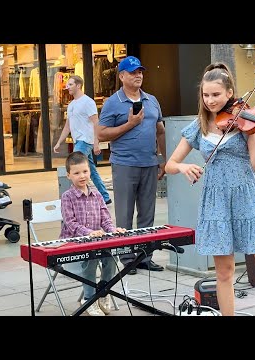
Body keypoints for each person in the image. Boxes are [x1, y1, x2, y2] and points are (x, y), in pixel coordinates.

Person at [164, 62, 255, 316]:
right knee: (224, 274)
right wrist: (183, 167)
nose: (210, 100)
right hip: (216, 201)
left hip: (249, 197)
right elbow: (169, 164)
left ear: (229, 93)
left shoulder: (246, 121)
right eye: (206, 94)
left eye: (216, 94)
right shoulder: (198, 126)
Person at [97, 55, 166, 275]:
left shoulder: (152, 100)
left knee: (147, 213)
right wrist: (130, 124)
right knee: (125, 213)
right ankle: (127, 258)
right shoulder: (112, 102)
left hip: (149, 163)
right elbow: (101, 133)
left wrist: (163, 158)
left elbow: (160, 130)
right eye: (133, 72)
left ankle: (145, 256)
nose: (138, 75)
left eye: (140, 72)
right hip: (124, 164)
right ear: (122, 76)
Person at [60, 151, 125, 316]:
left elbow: (106, 219)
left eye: (85, 171)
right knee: (91, 259)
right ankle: (89, 298)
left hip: (96, 240)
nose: (82, 176)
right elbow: (71, 223)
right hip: (75, 242)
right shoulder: (67, 197)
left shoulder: (97, 195)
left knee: (111, 256)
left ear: (90, 172)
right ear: (68, 175)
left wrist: (112, 230)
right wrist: (88, 233)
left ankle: (103, 292)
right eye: (76, 173)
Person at [53, 75, 112, 205]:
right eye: (67, 85)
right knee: (91, 169)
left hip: (85, 141)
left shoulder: (88, 102)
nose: (67, 87)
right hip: (78, 141)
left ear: (78, 85)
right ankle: (105, 196)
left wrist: (96, 143)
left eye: (70, 84)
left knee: (74, 167)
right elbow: (68, 126)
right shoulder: (71, 105)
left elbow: (96, 123)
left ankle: (76, 197)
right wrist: (59, 142)